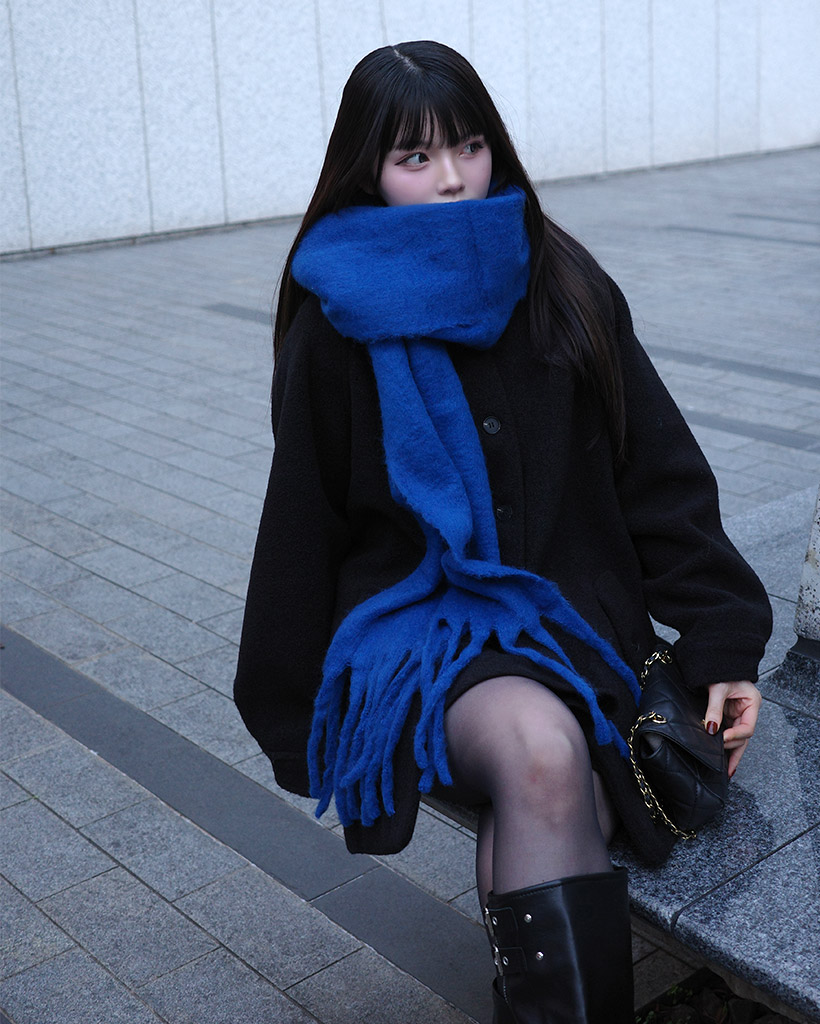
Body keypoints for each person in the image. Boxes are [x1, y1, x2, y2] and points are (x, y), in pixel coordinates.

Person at [234, 40, 772, 1024]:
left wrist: (723, 638)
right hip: (420, 630)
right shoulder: (332, 320)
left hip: (569, 620)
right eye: (415, 157)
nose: (451, 178)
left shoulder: (561, 279)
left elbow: (656, 470)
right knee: (540, 753)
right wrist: (289, 707)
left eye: (469, 146)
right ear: (366, 169)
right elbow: (301, 523)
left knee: (558, 796)